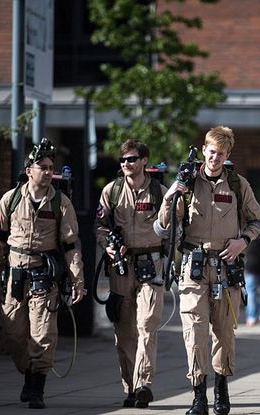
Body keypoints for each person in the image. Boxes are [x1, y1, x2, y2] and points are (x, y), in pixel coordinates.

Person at [157, 126, 260, 415]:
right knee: (194, 333)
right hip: (194, 269)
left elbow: (258, 222)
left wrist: (244, 241)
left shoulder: (237, 184)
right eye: (211, 151)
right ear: (203, 150)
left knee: (224, 333)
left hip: (226, 270)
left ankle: (221, 390)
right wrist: (171, 197)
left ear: (227, 155)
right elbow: (164, 227)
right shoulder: (189, 182)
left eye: (220, 153)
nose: (215, 157)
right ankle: (198, 396)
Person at [0, 138, 85, 409]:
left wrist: (77, 280)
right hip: (15, 278)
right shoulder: (10, 200)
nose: (48, 172)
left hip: (44, 280)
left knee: (43, 335)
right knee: (13, 335)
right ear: (29, 171)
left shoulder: (61, 203)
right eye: (43, 167)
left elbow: (71, 245)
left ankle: (37, 388)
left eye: (51, 167)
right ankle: (28, 372)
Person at [93, 139, 168, 409]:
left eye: (132, 159)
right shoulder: (111, 191)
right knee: (124, 332)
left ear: (144, 161)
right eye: (123, 159)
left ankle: (143, 384)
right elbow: (99, 226)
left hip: (152, 265)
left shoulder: (160, 192)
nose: (126, 164)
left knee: (147, 323)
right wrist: (108, 245)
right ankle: (130, 387)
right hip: (122, 267)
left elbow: (172, 229)